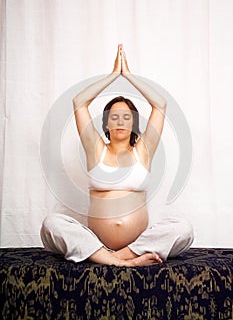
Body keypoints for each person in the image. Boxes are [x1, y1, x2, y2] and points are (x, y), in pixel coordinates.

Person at [40, 45, 194, 266]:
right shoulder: (96, 148)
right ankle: (120, 260)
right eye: (114, 117)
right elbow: (79, 102)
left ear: (134, 124)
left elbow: (160, 105)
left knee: (184, 230)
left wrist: (128, 76)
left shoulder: (143, 150)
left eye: (126, 117)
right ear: (105, 124)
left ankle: (117, 257)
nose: (120, 121)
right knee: (51, 224)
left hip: (139, 241)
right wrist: (112, 76)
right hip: (95, 240)